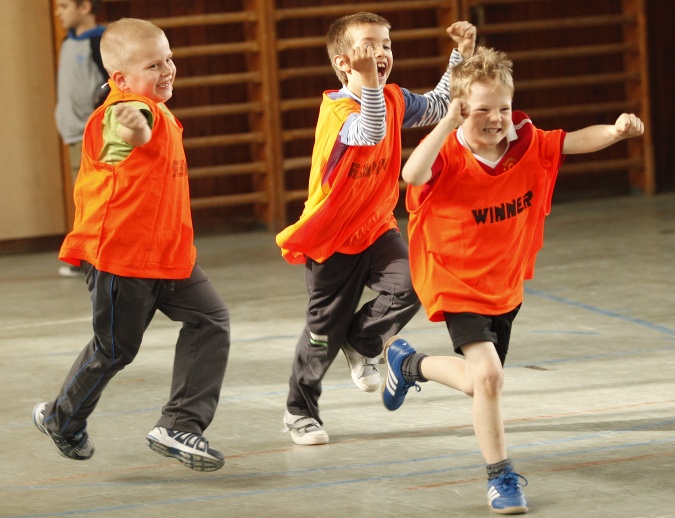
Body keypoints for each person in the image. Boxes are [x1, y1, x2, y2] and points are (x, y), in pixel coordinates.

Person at [382, 46, 645, 514]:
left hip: (503, 285)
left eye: (503, 107)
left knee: (481, 382)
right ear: (462, 109)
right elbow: (411, 173)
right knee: (488, 375)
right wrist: (445, 122)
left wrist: (617, 130)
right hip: (453, 279)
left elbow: (578, 140)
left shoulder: (526, 143)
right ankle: (500, 476)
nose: (496, 118)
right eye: (482, 109)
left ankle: (408, 364)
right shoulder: (446, 155)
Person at [33, 18, 231, 473]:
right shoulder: (121, 111)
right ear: (120, 79)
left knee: (211, 320)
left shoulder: (157, 110)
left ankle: (180, 424)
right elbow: (125, 140)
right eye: (153, 65)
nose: (168, 70)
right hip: (122, 260)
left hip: (169, 257)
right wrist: (133, 130)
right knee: (115, 350)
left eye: (169, 59)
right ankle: (61, 420)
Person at [275, 12, 476, 445]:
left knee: (416, 282)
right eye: (369, 46)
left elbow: (440, 104)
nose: (380, 53)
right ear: (344, 62)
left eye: (386, 44)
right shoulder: (339, 113)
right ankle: (299, 411)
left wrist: (460, 56)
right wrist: (370, 85)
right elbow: (370, 131)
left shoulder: (391, 97)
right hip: (331, 241)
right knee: (320, 335)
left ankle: (363, 341)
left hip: (377, 228)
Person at [54, 0, 108, 278]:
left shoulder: (99, 42)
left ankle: (92, 259)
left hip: (91, 135)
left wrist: (96, 103)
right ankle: (87, 256)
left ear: (84, 7)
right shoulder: (67, 42)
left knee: (93, 198)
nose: (58, 12)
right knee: (83, 198)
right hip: (73, 133)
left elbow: (111, 81)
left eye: (63, 6)